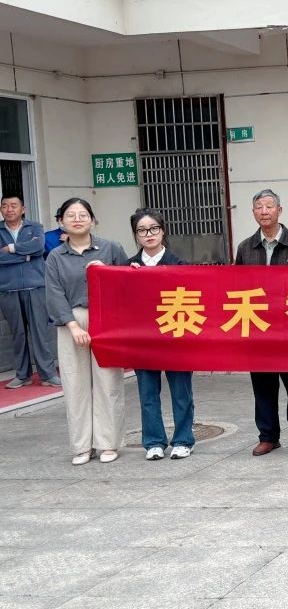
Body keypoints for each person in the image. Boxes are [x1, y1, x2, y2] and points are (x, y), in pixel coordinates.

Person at [44, 198, 129, 465]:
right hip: (71, 321)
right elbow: (54, 293)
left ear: (92, 220)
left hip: (107, 320)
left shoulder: (111, 248)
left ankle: (108, 443)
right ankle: (82, 446)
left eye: (83, 214)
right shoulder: (56, 256)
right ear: (61, 222)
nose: (77, 219)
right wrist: (72, 325)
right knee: (75, 384)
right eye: (71, 215)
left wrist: (107, 271)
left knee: (108, 382)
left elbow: (127, 281)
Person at [235, 188, 288, 456]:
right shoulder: (245, 248)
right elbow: (236, 287)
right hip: (258, 328)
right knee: (262, 386)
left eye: (269, 206)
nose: (264, 211)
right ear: (253, 212)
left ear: (279, 210)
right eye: (259, 207)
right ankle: (268, 436)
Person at [128, 209, 196, 460]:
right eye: (142, 230)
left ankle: (183, 439)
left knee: (181, 392)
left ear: (163, 231)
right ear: (136, 235)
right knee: (147, 393)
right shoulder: (128, 267)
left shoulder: (179, 265)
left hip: (175, 337)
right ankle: (154, 441)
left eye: (154, 228)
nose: (149, 234)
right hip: (143, 340)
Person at [0, 194, 59, 388]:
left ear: (23, 209)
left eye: (13, 205)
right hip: (8, 289)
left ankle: (47, 375)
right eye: (5, 206)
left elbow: (38, 248)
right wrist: (25, 256)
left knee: (39, 332)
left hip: (36, 287)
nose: (9, 209)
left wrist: (11, 248)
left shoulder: (35, 227)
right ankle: (22, 375)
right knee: (18, 334)